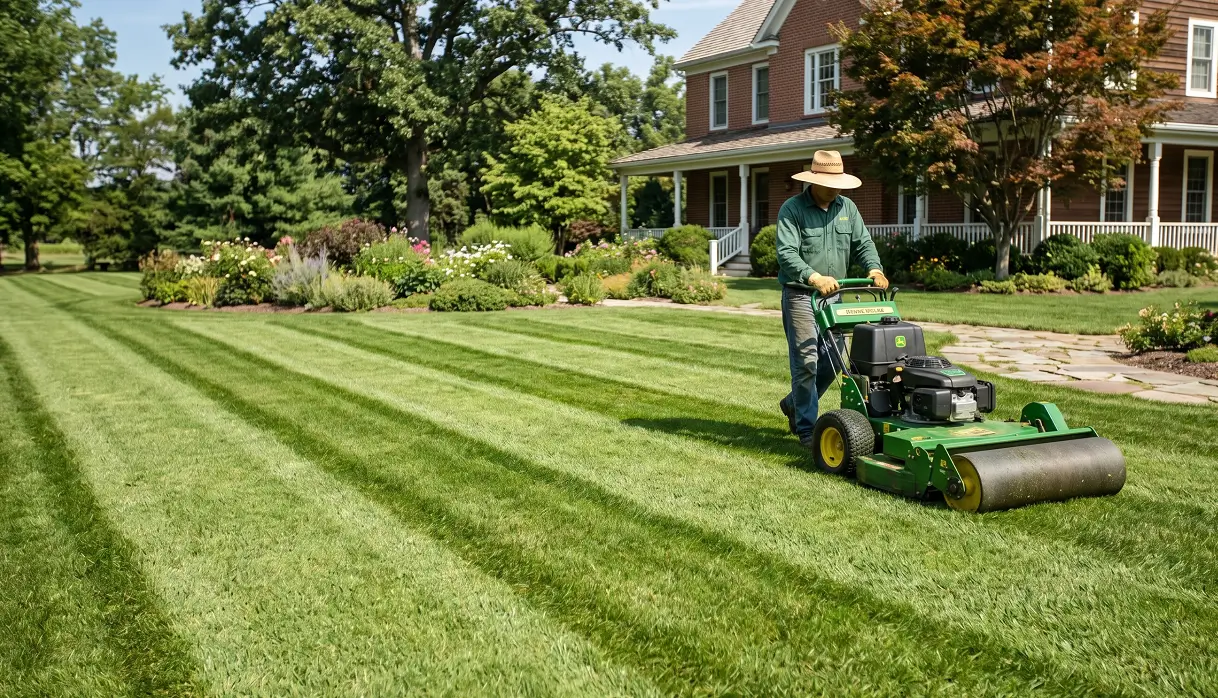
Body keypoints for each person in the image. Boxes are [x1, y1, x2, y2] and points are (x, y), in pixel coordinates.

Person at [775, 150, 888, 448]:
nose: (837, 188)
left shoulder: (847, 208)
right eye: (831, 182)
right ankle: (807, 430)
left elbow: (863, 243)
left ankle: (793, 403)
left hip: (835, 297)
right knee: (807, 362)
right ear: (815, 181)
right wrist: (814, 277)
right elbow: (786, 254)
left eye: (840, 182)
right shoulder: (793, 209)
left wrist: (874, 268)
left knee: (835, 361)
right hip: (802, 295)